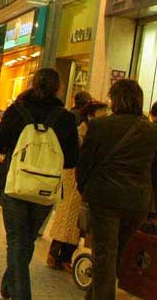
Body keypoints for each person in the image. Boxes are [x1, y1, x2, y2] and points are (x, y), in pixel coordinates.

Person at [0, 68, 79, 300]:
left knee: (18, 239)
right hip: (46, 188)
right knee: (25, 239)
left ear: (33, 83)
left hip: (15, 183)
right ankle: (8, 288)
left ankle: (20, 294)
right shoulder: (65, 118)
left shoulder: (17, 111)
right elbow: (71, 159)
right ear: (59, 88)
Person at [77, 79, 157, 300]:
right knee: (114, 253)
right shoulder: (154, 132)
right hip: (137, 204)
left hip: (105, 200)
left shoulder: (99, 126)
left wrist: (84, 189)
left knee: (105, 254)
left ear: (115, 99)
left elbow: (84, 163)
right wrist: (155, 208)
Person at [46, 101, 110, 271]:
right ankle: (54, 254)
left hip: (86, 178)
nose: (106, 116)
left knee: (77, 221)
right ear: (91, 115)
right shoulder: (81, 131)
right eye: (102, 113)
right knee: (65, 216)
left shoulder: (99, 133)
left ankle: (66, 256)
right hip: (73, 176)